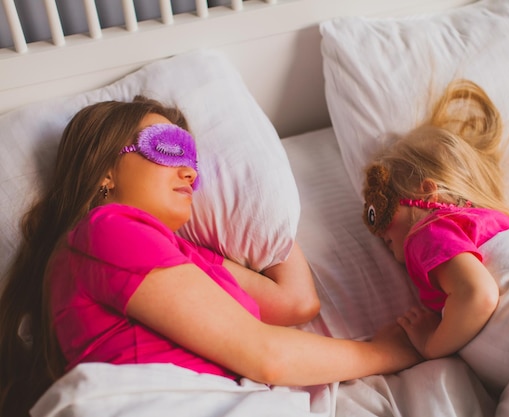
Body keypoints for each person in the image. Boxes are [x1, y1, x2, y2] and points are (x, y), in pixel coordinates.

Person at [0, 96, 420, 417]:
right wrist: (391, 351)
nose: (190, 172)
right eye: (167, 148)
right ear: (105, 168)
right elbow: (266, 355)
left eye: (192, 159)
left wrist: (260, 205)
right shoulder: (105, 230)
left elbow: (296, 303)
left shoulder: (187, 256)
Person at [361, 79, 509, 361]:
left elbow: (477, 296)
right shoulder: (495, 221)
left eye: (383, 208)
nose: (377, 230)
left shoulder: (427, 229)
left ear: (428, 194)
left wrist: (431, 343)